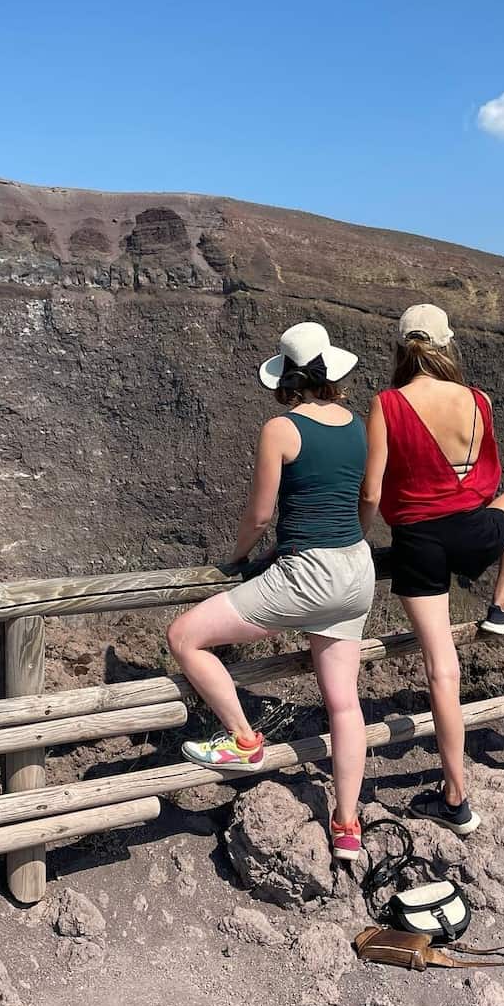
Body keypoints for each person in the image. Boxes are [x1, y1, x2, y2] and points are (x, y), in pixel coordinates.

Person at [167, 321, 375, 860]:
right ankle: (347, 824)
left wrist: (236, 559)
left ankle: (243, 739)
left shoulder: (281, 429)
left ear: (286, 379)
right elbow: (366, 498)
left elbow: (260, 516)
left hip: (307, 573)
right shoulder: (360, 424)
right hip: (357, 568)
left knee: (185, 636)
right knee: (344, 704)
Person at [360, 303, 504, 835]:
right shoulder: (478, 400)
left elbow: (372, 491)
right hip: (474, 532)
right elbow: (488, 475)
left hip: (418, 542)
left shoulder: (388, 403)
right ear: (445, 345)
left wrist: (357, 538)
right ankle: (502, 602)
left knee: (443, 670)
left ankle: (456, 798)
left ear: (401, 347)